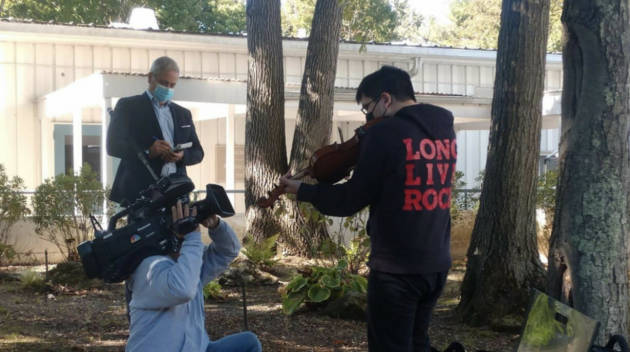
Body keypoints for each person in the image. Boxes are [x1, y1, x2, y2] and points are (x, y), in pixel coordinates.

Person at [280, 65, 457, 352]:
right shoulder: (444, 129)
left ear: (385, 99)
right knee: (417, 343)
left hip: (396, 269)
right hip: (436, 262)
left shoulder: (385, 133)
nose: (368, 117)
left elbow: (350, 199)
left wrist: (303, 190)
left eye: (367, 108)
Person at [126, 201, 262, 352]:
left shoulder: (187, 262)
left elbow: (228, 251)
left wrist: (215, 225)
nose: (192, 225)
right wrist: (192, 237)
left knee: (248, 343)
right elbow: (182, 289)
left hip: (197, 347)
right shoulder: (148, 268)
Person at [107, 56, 204, 205]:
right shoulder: (128, 106)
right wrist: (147, 151)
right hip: (142, 192)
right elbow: (113, 146)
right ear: (150, 77)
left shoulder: (183, 114)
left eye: (172, 85)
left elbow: (198, 152)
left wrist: (181, 156)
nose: (168, 89)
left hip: (177, 190)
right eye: (164, 83)